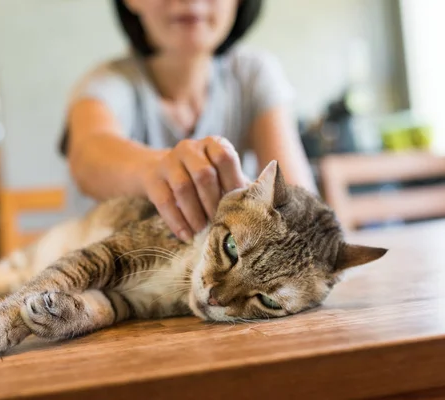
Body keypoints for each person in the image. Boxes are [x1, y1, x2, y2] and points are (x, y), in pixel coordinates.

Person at [60, 0, 316, 242]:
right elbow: (87, 156)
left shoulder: (253, 73)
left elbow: (300, 208)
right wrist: (158, 170)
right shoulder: (106, 83)